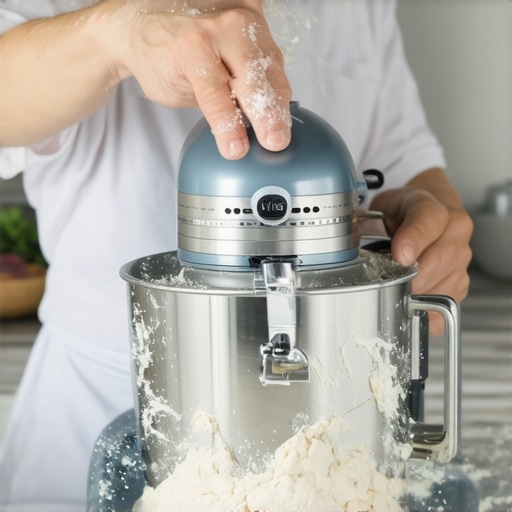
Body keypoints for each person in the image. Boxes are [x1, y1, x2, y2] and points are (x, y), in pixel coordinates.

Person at [0, 1, 473, 510]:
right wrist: (112, 35)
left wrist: (433, 217)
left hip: (339, 413)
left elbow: (406, 159)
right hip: (91, 397)